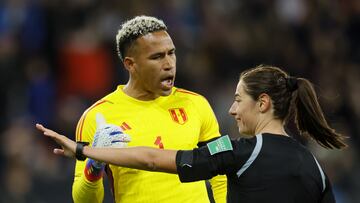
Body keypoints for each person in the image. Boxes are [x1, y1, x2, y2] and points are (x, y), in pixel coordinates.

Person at [37, 65, 347, 203]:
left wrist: (85, 151)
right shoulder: (315, 167)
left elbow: (153, 158)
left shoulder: (237, 152)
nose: (231, 110)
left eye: (238, 100)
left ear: (263, 103)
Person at [68, 15, 227, 203]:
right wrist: (94, 165)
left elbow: (221, 171)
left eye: (171, 53)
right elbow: (84, 201)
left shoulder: (196, 104)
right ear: (130, 64)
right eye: (157, 57)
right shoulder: (97, 117)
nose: (169, 64)